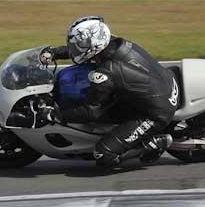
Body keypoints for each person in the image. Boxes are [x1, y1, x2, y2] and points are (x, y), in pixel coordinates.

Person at [39, 16, 178, 169]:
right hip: (160, 85)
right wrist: (55, 53)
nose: (76, 48)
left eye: (80, 45)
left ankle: (153, 144)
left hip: (155, 113)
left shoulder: (107, 73)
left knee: (103, 155)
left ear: (95, 44)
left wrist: (56, 115)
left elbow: (91, 112)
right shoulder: (114, 43)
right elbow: (84, 51)